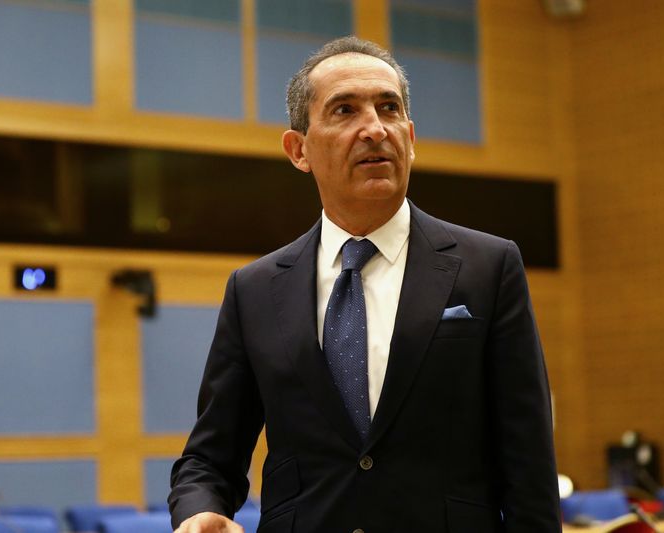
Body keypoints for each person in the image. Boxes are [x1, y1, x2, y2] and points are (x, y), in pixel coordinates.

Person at [169, 36, 561, 533]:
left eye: (388, 108)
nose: (374, 129)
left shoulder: (489, 267)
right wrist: (200, 510)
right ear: (299, 150)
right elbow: (209, 457)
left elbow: (529, 462)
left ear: (411, 137)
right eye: (345, 110)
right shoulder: (255, 289)